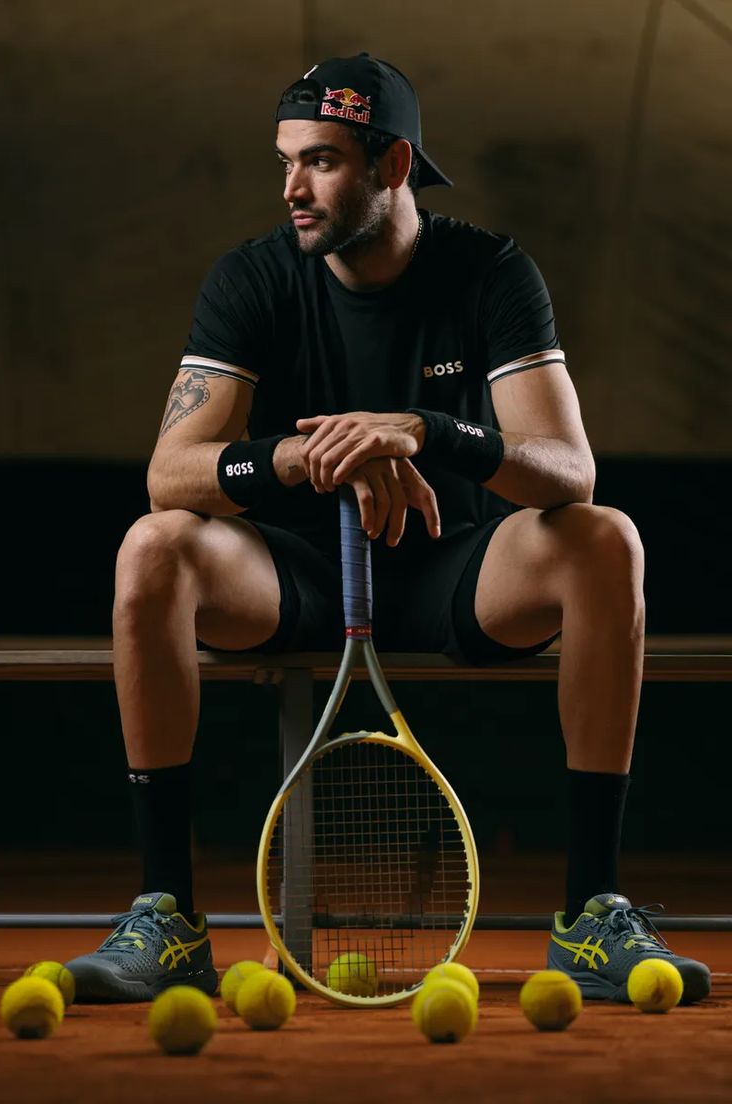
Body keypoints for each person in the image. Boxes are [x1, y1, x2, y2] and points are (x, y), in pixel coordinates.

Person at [66, 53, 710, 1004]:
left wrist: (427, 430)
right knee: (152, 546)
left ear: (394, 166)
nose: (294, 187)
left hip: (457, 569)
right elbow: (170, 474)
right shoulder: (252, 279)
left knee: (604, 537)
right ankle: (167, 915)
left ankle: (590, 915)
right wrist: (304, 454)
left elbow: (570, 468)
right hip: (291, 571)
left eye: (322, 160)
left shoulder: (489, 270)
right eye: (286, 160)